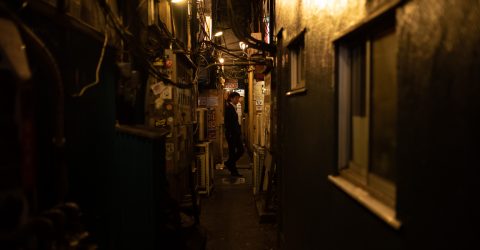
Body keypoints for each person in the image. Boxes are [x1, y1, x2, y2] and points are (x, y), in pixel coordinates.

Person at [224, 92, 244, 177]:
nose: (238, 100)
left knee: (239, 151)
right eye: (236, 98)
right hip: (232, 134)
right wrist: (231, 134)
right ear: (231, 98)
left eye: (238, 98)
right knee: (237, 151)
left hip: (234, 134)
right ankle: (232, 169)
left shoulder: (233, 107)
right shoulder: (229, 108)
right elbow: (228, 123)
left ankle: (230, 164)